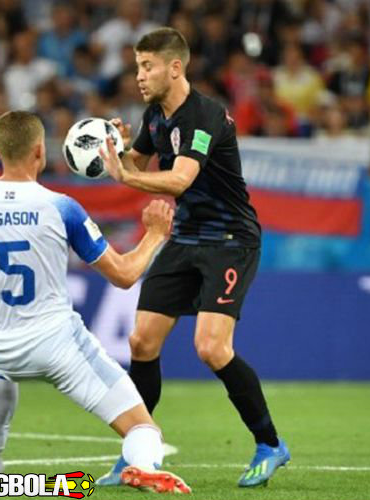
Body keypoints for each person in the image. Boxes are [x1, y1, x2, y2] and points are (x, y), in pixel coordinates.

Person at [0, 110, 190, 494]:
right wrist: (154, 235)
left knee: (0, 371)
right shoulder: (62, 206)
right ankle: (142, 466)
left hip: (0, 345)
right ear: (40, 151)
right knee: (143, 428)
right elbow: (123, 275)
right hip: (58, 346)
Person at [96, 27, 290, 488]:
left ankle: (269, 444)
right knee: (142, 342)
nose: (139, 76)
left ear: (175, 67)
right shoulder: (155, 116)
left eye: (147, 66)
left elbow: (180, 180)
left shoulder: (203, 115)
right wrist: (118, 149)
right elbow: (135, 163)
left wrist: (126, 176)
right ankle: (136, 455)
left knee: (211, 348)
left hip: (230, 239)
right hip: (185, 237)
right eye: (137, 66)